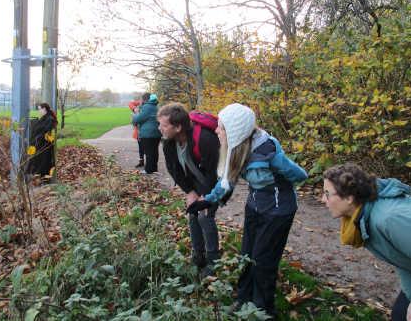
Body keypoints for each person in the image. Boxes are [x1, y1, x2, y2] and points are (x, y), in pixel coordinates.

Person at [189, 103, 308, 317]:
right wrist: (207, 201)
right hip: (254, 205)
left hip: (278, 210)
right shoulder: (236, 149)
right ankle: (243, 300)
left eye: (221, 127)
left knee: (263, 261)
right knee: (247, 256)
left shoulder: (268, 152)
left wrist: (280, 186)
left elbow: (299, 175)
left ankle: (263, 310)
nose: (216, 130)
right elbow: (227, 181)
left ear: (234, 130)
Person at [322, 163, 411, 321]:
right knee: (401, 314)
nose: (323, 199)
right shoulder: (363, 217)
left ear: (349, 198)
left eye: (327, 194)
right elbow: (405, 260)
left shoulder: (391, 219)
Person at [157, 103, 221, 276]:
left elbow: (213, 173)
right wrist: (190, 192)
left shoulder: (206, 140)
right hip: (196, 181)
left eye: (163, 125)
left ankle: (213, 261)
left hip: (215, 181)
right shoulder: (169, 143)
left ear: (178, 127)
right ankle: (198, 255)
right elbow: (174, 169)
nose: (159, 128)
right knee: (192, 214)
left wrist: (206, 198)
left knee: (204, 216)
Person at [132, 93, 162, 174]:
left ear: (145, 99)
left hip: (148, 133)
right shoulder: (156, 106)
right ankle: (154, 168)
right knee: (154, 151)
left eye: (141, 99)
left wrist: (134, 115)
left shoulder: (147, 107)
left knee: (149, 152)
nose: (140, 101)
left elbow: (138, 119)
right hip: (157, 133)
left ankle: (148, 170)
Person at [27, 102, 58, 179]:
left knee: (42, 161)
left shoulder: (49, 119)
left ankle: (43, 177)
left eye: (39, 109)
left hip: (43, 144)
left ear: (44, 109)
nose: (39, 111)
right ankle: (41, 176)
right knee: (41, 161)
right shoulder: (46, 118)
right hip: (42, 143)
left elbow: (44, 130)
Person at [128, 99, 144, 168]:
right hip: (138, 131)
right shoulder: (140, 103)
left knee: (147, 148)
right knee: (140, 147)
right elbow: (130, 103)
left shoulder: (147, 108)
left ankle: (150, 164)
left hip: (145, 131)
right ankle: (141, 161)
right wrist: (135, 109)